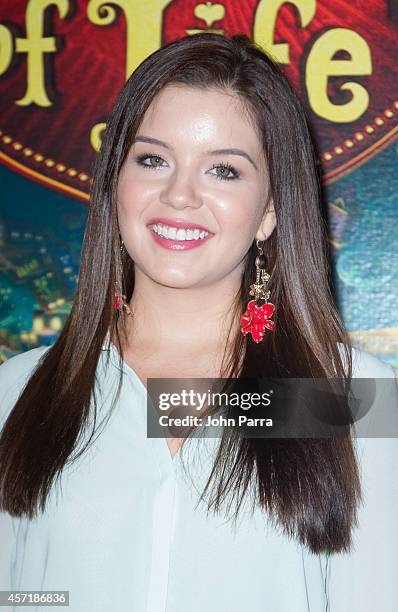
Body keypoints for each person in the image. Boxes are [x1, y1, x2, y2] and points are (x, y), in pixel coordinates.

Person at [0, 33, 397, 612]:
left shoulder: (352, 400)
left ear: (269, 212)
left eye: (224, 171)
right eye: (153, 160)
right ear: (115, 183)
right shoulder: (18, 391)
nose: (179, 195)